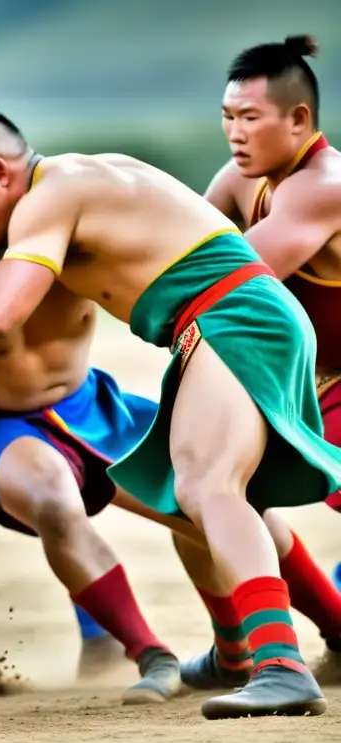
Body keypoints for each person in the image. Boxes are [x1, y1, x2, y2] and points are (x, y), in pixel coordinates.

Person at [0, 96, 341, 719]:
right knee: (185, 490)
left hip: (232, 315)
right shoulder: (78, 183)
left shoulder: (53, 194)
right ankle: (239, 652)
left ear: (1, 171)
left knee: (208, 485)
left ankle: (281, 666)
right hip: (223, 319)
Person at [0, 230, 185, 702]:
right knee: (56, 502)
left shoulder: (81, 243)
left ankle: (314, 631)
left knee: (211, 502)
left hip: (95, 404)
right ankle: (148, 651)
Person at [175, 34, 341, 690]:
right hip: (291, 384)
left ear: (298, 120)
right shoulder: (238, 181)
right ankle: (312, 631)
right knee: (207, 489)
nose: (234, 133)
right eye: (226, 116)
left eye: (249, 118)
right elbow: (169, 251)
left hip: (333, 384)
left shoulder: (321, 187)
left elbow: (232, 281)